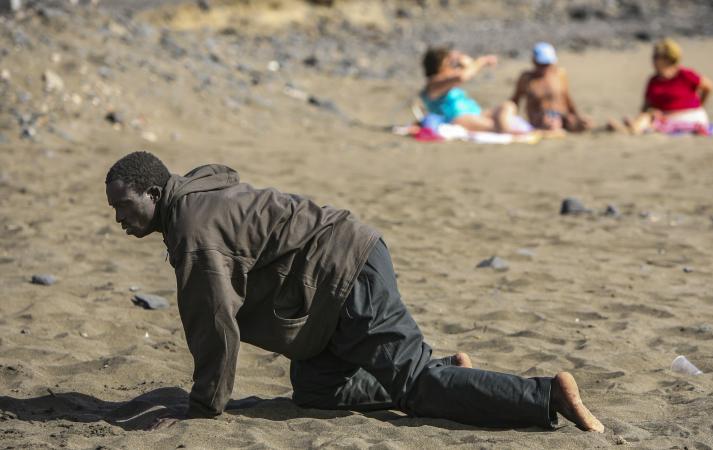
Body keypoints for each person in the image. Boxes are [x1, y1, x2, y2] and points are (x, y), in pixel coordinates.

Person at [105, 151, 605, 432]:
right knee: (318, 390)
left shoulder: (193, 231)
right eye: (113, 210)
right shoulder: (193, 193)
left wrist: (202, 409)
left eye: (125, 206)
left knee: (415, 388)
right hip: (324, 291)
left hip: (343, 274)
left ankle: (546, 395)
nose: (120, 220)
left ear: (154, 193)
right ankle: (452, 374)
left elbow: (214, 326)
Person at [611, 38, 713, 135]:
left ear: (668, 59)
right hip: (666, 117)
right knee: (648, 115)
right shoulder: (653, 80)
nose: (653, 60)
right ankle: (635, 125)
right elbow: (646, 105)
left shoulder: (684, 74)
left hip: (690, 115)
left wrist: (700, 105)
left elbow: (709, 87)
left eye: (656, 57)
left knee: (649, 117)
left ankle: (630, 129)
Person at [421, 47, 530, 134]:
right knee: (493, 125)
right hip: (458, 118)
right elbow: (463, 76)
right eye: (449, 64)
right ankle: (509, 132)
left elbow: (466, 69)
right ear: (439, 67)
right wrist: (482, 61)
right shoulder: (434, 83)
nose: (452, 67)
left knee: (508, 105)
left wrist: (460, 58)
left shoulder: (448, 81)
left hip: (476, 113)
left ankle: (507, 129)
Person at [510, 42, 592, 132]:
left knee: (584, 123)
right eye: (540, 65)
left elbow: (567, 98)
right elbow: (515, 101)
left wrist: (576, 116)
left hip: (561, 116)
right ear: (534, 61)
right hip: (539, 119)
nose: (543, 68)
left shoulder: (559, 74)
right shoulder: (527, 78)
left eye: (547, 64)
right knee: (548, 123)